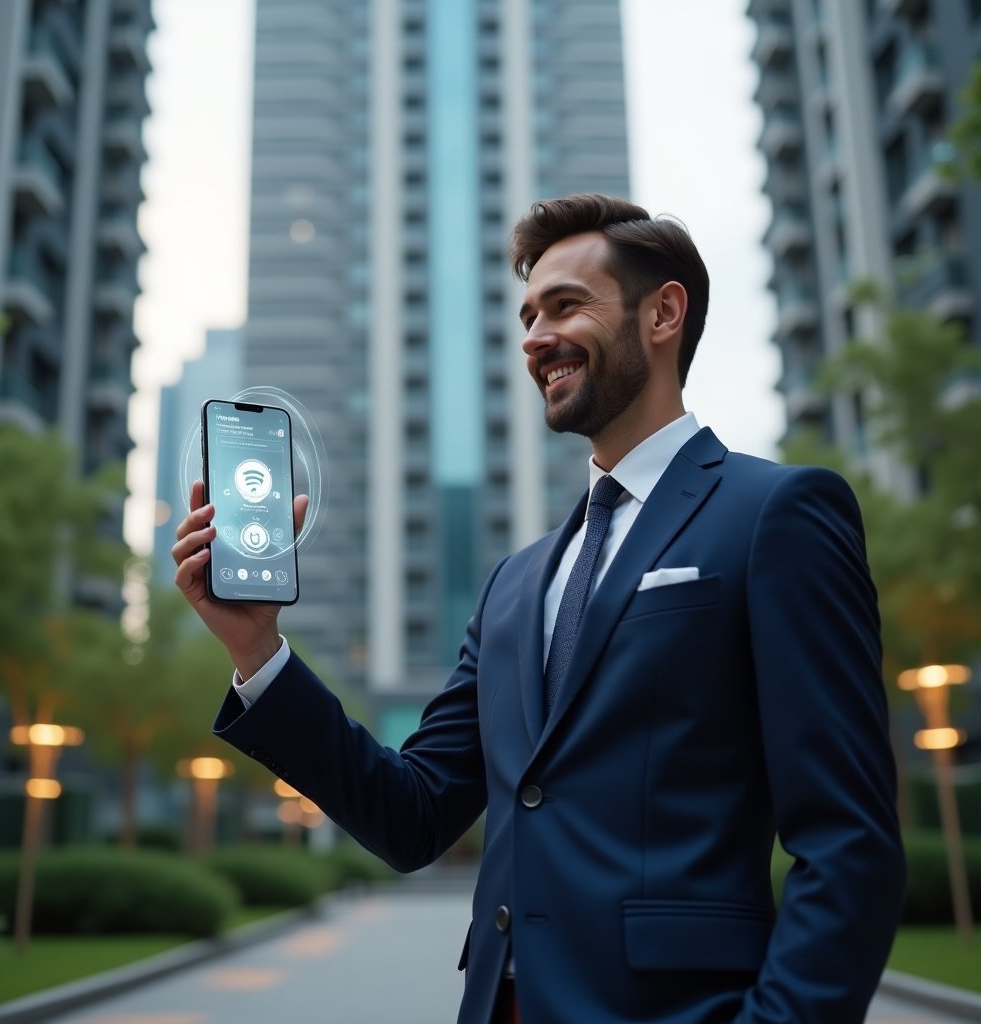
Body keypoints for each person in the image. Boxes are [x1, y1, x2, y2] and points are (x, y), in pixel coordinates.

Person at [173, 194, 906, 1024]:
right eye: (527, 316)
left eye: (565, 305)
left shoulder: (777, 514)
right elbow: (413, 816)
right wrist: (259, 653)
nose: (534, 337)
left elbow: (849, 843)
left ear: (663, 314)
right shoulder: (514, 584)